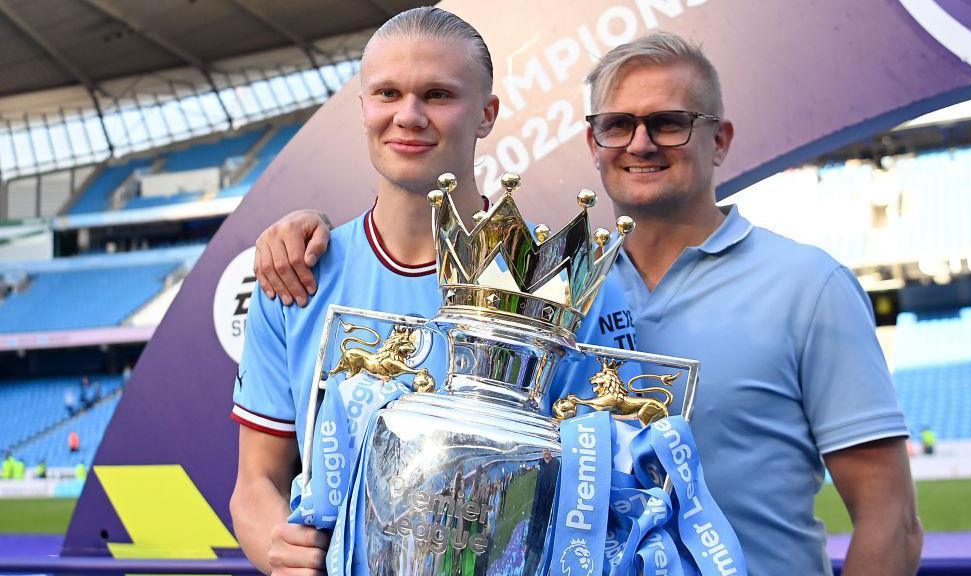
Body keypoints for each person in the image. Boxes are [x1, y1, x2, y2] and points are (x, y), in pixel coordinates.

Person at [256, 31, 924, 576]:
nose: (640, 143)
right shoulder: (547, 289)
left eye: (669, 123)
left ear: (719, 140)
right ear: (592, 144)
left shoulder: (809, 287)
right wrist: (302, 229)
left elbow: (890, 517)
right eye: (617, 125)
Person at [229, 8, 637, 576]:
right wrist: (278, 547)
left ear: (487, 114)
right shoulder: (294, 278)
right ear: (363, 108)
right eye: (388, 93)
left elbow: (615, 495)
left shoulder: (569, 288)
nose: (409, 116)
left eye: (438, 94)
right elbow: (256, 482)